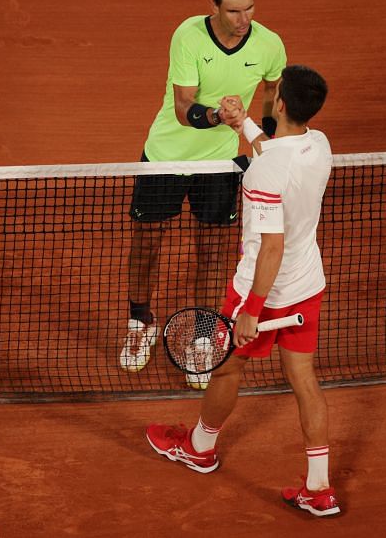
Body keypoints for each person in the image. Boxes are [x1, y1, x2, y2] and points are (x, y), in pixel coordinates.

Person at [146, 65, 342, 518]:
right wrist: (241, 123)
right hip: (306, 285)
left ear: (281, 104)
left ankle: (199, 449)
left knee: (226, 372)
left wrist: (251, 309)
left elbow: (271, 246)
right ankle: (320, 489)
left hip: (260, 290)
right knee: (304, 380)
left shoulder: (260, 176)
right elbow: (274, 153)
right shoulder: (319, 144)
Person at [119, 0, 287, 391]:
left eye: (249, 8)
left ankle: (200, 333)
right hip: (166, 157)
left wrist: (261, 133)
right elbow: (183, 109)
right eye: (233, 11)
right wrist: (221, 115)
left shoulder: (269, 45)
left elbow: (272, 93)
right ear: (213, 7)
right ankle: (140, 320)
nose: (243, 19)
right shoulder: (189, 36)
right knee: (146, 243)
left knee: (211, 251)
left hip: (221, 164)